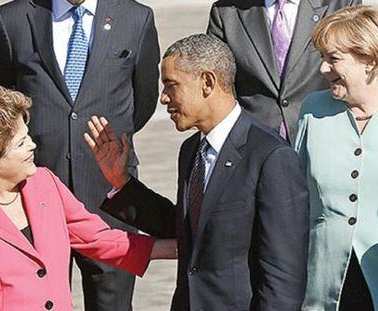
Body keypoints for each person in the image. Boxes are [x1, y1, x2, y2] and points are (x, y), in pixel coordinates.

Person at [85, 34, 310, 311]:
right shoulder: (191, 150)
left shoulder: (271, 157)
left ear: (207, 82)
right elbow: (190, 229)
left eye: (171, 85)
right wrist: (122, 183)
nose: (164, 98)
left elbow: (283, 279)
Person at [0, 0, 160, 309]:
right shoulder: (12, 18)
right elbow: (5, 106)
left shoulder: (136, 18)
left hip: (108, 196)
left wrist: (101, 145)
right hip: (33, 193)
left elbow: (143, 101)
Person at [0, 85, 176, 311]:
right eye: (21, 143)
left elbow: (99, 239)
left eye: (27, 136)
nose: (32, 145)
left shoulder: (44, 184)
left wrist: (181, 248)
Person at [294, 5, 378, 311]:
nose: (323, 69)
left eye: (334, 59)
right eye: (322, 58)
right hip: (323, 283)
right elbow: (294, 198)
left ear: (369, 60)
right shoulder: (313, 110)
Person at [207, 0, 360, 141]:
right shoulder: (226, 11)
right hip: (253, 143)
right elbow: (217, 89)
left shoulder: (341, 4)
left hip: (323, 136)